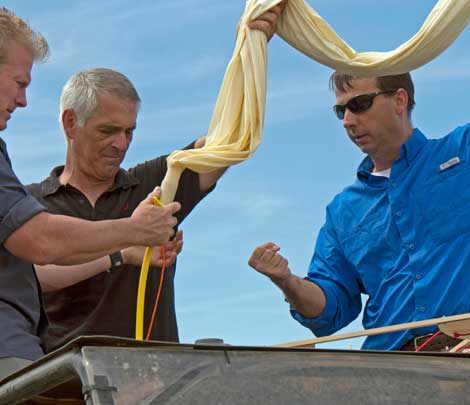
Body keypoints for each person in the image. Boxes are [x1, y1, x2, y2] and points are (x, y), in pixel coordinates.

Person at [0, 6, 179, 404]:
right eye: (19, 82)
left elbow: (36, 269)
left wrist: (120, 254)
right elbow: (39, 240)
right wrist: (135, 228)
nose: (23, 100)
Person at [248, 2, 470, 353]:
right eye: (340, 110)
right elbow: (329, 310)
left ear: (399, 100)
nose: (347, 121)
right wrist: (286, 281)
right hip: (389, 373)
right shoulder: (342, 211)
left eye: (359, 105)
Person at [27, 4, 285, 351]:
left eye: (129, 131)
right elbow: (32, 278)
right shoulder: (30, 203)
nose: (120, 144)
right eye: (108, 131)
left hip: (154, 384)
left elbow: (228, 139)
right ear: (70, 123)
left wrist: (251, 44)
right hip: (64, 389)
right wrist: (122, 252)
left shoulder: (158, 183)